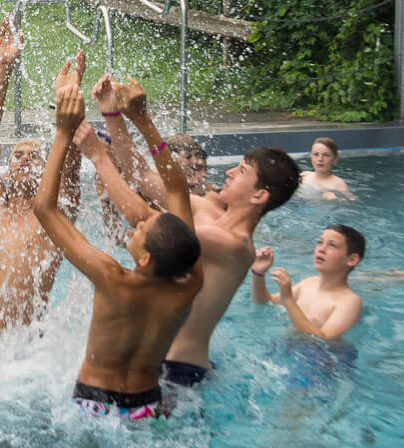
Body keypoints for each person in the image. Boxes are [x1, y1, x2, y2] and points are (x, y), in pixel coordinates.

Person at [75, 82, 300, 387]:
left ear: (259, 195)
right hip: (156, 362)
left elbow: (141, 219)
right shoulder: (206, 210)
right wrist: (112, 114)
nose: (230, 172)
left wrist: (98, 157)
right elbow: (140, 175)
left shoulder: (236, 246)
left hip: (179, 373)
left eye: (243, 171)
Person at [36, 82, 202, 420]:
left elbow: (45, 210)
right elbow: (176, 188)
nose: (138, 222)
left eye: (143, 229)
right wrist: (141, 120)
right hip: (148, 404)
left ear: (144, 258)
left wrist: (63, 133)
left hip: (93, 405)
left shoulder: (111, 278)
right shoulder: (190, 281)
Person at [0, 14, 82, 334]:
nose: (24, 160)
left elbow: (70, 166)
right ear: (7, 167)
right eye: (17, 155)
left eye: (35, 157)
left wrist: (68, 100)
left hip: (24, 352)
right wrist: (3, 66)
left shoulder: (53, 215)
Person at [91, 73, 217, 200]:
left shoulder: (210, 192)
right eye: (188, 156)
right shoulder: (158, 183)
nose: (195, 161)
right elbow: (130, 180)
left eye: (199, 155)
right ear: (171, 159)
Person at [250, 225, 365, 340]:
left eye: (332, 245)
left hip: (324, 356)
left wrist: (288, 299)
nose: (321, 249)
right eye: (320, 242)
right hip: (288, 347)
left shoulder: (350, 301)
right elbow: (262, 303)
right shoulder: (309, 283)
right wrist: (258, 274)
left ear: (352, 260)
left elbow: (323, 339)